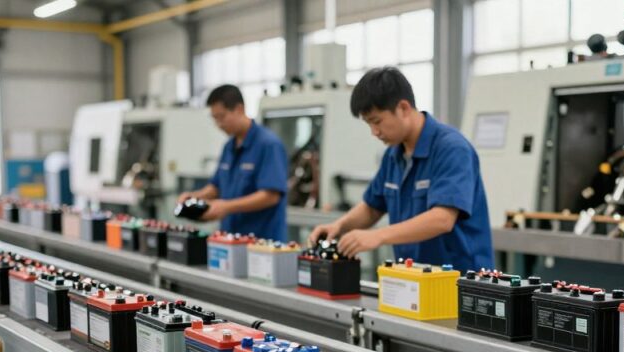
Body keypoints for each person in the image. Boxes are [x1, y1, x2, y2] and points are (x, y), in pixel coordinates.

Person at [308, 67, 494, 273]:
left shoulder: (451, 148)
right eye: (369, 124)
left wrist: (377, 236)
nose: (374, 132)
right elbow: (372, 207)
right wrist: (340, 226)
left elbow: (442, 219)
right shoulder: (393, 155)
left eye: (377, 121)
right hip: (413, 278)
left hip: (459, 281)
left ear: (403, 108)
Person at [177, 85, 289, 241]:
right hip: (230, 240)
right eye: (214, 119)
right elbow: (216, 186)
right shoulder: (229, 147)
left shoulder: (268, 145)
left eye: (221, 117)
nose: (219, 124)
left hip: (262, 242)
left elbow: (271, 196)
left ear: (239, 109)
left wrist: (226, 207)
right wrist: (195, 196)